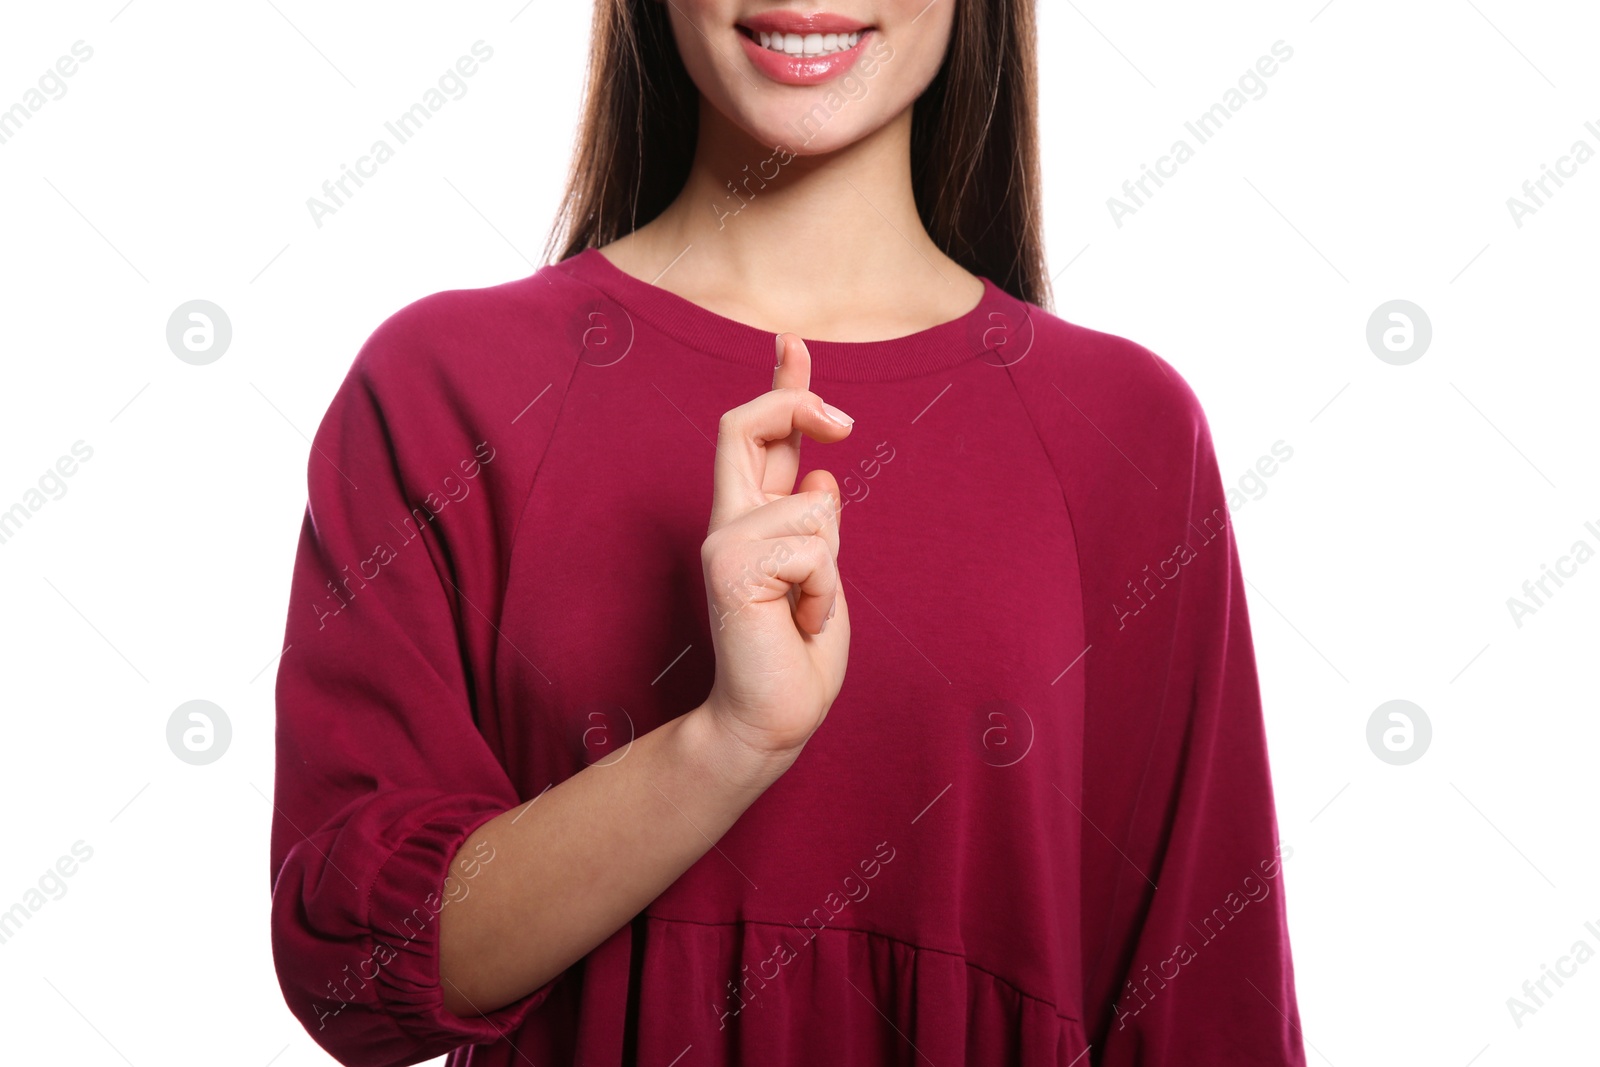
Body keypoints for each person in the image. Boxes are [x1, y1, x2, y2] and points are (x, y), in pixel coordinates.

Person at [268, 2, 1306, 1064]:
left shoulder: (1121, 430)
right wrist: (725, 742)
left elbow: (1202, 1004)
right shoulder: (451, 388)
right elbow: (350, 969)